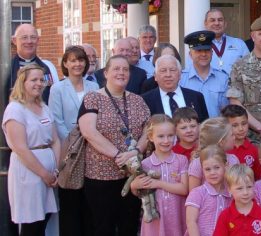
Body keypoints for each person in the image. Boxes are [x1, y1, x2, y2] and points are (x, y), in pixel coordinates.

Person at [78, 55, 151, 236]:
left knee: (129, 225)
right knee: (104, 227)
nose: (121, 73)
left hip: (132, 176)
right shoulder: (93, 98)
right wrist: (119, 155)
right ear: (106, 73)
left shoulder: (138, 100)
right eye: (116, 69)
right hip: (100, 177)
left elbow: (149, 131)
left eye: (125, 69)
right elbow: (88, 132)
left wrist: (135, 152)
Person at [2, 64, 61, 236]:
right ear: (23, 82)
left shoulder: (43, 107)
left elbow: (55, 140)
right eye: (33, 80)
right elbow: (21, 148)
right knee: (31, 224)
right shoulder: (15, 109)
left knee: (44, 219)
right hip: (29, 173)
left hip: (50, 173)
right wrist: (44, 174)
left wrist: (55, 170)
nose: (39, 83)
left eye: (41, 80)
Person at [48, 46, 98, 236]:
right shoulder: (57, 88)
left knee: (89, 205)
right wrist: (75, 142)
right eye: (73, 60)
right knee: (70, 206)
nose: (77, 64)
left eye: (81, 60)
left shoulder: (94, 87)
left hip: (93, 150)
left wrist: (90, 138)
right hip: (69, 152)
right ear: (65, 64)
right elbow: (57, 121)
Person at [130, 114, 189, 236]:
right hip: (156, 219)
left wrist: (158, 183)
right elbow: (140, 193)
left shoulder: (181, 160)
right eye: (161, 136)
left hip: (176, 216)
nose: (166, 141)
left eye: (170, 136)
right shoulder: (145, 164)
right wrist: (134, 186)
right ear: (151, 137)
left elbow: (184, 189)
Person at [213, 164, 261, 236]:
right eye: (240, 188)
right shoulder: (225, 216)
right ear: (229, 189)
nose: (245, 192)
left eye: (249, 187)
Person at [142, 55, 209, 122]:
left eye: (172, 70)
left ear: (180, 74)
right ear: (155, 76)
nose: (168, 75)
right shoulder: (145, 101)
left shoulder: (196, 97)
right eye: (163, 70)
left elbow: (204, 128)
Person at [185, 145, 231, 236]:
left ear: (225, 166)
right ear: (202, 169)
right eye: (207, 169)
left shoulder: (230, 194)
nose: (212, 172)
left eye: (217, 167)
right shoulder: (197, 193)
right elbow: (191, 222)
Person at [181, 30, 229, 117]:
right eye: (198, 51)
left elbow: (226, 111)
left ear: (212, 53)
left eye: (207, 50)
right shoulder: (181, 79)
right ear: (190, 55)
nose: (203, 54)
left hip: (215, 128)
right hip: (190, 129)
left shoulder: (223, 78)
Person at [7, 24, 59, 104]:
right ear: (14, 40)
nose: (29, 41)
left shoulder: (49, 67)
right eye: (24, 37)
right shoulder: (5, 70)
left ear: (38, 40)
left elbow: (55, 97)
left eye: (33, 37)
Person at [188, 117, 239, 191]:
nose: (234, 137)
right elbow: (193, 193)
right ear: (221, 142)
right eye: (232, 135)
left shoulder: (233, 160)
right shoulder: (198, 163)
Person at [221, 104, 261, 180]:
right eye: (235, 125)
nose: (241, 129)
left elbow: (259, 178)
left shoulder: (254, 149)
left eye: (244, 124)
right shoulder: (221, 149)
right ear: (225, 126)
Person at [202, 8, 249, 75]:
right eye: (212, 20)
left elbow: (249, 69)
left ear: (225, 23)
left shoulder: (239, 44)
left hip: (234, 85)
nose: (217, 23)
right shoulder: (199, 46)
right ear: (205, 24)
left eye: (220, 20)